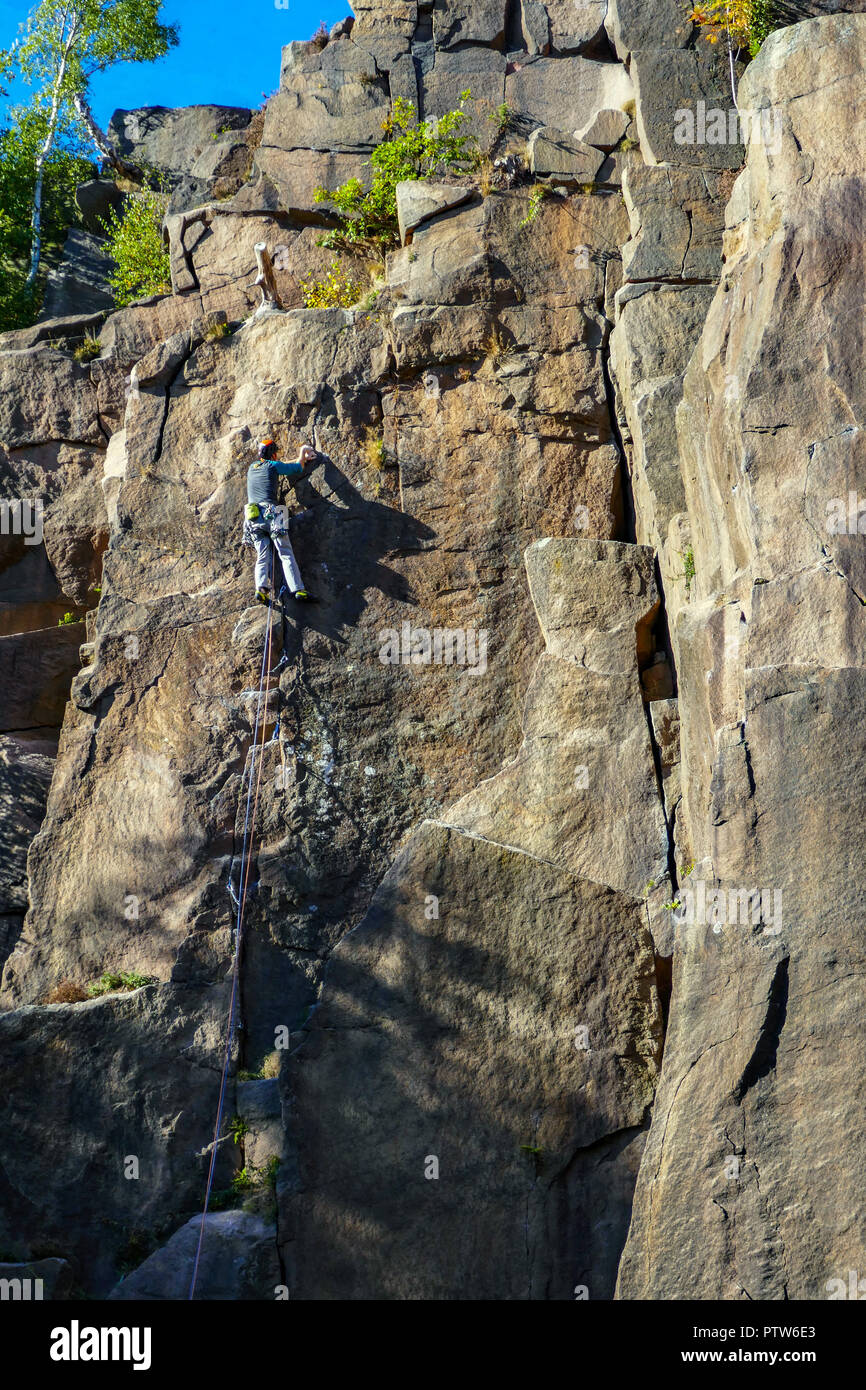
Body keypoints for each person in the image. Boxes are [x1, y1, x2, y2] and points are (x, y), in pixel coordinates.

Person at [243, 438, 317, 604]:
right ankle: (298, 589)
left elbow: (279, 465)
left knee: (262, 555)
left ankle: (261, 588)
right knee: (285, 552)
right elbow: (296, 468)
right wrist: (302, 454)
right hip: (271, 514)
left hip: (253, 518)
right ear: (272, 454)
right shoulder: (273, 466)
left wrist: (301, 459)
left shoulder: (252, 468)